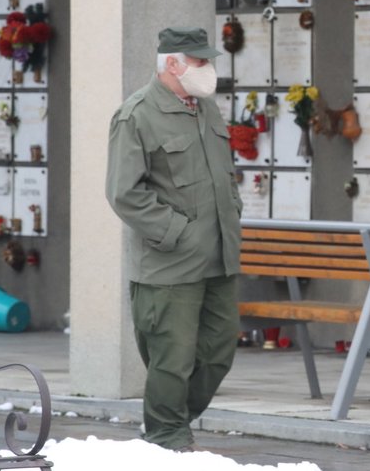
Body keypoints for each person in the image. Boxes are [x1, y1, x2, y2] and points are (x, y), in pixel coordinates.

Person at [105, 27, 243, 451]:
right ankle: (167, 438)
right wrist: (176, 233)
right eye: (201, 62)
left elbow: (224, 176)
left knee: (219, 350)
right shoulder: (137, 114)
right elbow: (124, 193)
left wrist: (232, 215)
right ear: (173, 64)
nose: (209, 70)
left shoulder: (206, 109)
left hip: (218, 256)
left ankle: (173, 421)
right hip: (169, 263)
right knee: (172, 357)